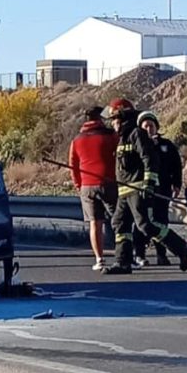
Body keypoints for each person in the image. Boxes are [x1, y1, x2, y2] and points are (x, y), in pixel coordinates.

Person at [103, 99, 187, 275]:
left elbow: (150, 159)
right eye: (112, 121)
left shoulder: (137, 134)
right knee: (120, 225)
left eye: (116, 120)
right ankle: (123, 262)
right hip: (124, 191)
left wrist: (149, 184)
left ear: (124, 118)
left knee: (146, 225)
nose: (113, 124)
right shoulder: (122, 139)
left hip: (137, 189)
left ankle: (182, 248)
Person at [68, 106, 118, 271]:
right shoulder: (111, 136)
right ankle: (123, 255)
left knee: (94, 223)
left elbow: (73, 166)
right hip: (109, 182)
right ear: (100, 118)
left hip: (87, 186)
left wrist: (78, 184)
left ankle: (99, 259)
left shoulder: (77, 140)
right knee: (118, 220)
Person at [137, 111, 182, 266]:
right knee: (144, 223)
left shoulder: (167, 145)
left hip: (162, 190)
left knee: (162, 222)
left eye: (151, 126)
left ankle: (161, 254)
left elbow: (176, 166)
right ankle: (140, 254)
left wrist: (177, 184)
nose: (149, 129)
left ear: (156, 127)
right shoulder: (138, 146)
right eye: (145, 126)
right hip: (143, 190)